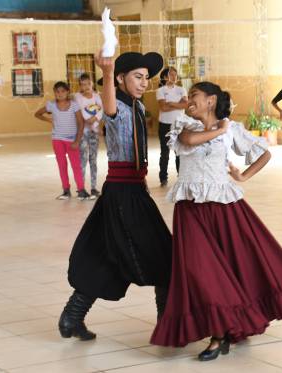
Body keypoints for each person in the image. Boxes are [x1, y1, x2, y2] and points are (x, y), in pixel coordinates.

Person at [150, 81, 282, 361]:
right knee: (199, 268)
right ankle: (222, 328)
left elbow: (264, 153)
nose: (189, 99)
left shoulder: (233, 130)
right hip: (190, 208)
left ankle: (222, 332)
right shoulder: (184, 125)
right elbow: (189, 142)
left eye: (194, 95)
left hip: (224, 207)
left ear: (210, 100)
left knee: (232, 266)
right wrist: (220, 129)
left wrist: (243, 176)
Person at [58, 51, 172, 341]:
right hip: (123, 194)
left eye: (147, 78)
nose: (144, 82)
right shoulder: (118, 105)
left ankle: (72, 316)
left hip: (132, 189)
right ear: (120, 79)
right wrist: (107, 73)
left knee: (107, 254)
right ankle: (167, 324)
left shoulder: (136, 106)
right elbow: (108, 106)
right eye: (137, 76)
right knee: (164, 255)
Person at [35, 81, 90, 200]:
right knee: (62, 165)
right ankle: (66, 190)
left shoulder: (74, 105)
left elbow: (81, 123)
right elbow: (37, 114)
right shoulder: (51, 105)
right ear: (54, 93)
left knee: (76, 165)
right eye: (57, 92)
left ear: (67, 92)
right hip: (57, 139)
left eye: (63, 91)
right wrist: (49, 120)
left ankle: (81, 190)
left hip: (71, 140)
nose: (60, 94)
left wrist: (77, 141)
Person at [156, 66, 188, 186]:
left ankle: (181, 177)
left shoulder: (181, 89)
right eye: (171, 74)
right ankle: (163, 178)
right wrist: (178, 104)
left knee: (179, 152)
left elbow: (185, 105)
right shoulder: (160, 90)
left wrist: (171, 103)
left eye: (175, 74)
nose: (174, 77)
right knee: (164, 153)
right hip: (164, 124)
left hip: (179, 125)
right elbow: (163, 107)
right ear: (165, 77)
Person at [74, 73, 103, 199]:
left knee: (93, 159)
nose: (86, 87)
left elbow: (101, 109)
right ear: (80, 86)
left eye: (88, 84)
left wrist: (95, 118)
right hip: (83, 132)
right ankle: (81, 188)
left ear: (92, 84)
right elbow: (80, 110)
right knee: (83, 159)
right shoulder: (77, 97)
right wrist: (88, 120)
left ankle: (93, 187)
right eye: (83, 84)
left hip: (94, 132)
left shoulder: (96, 96)